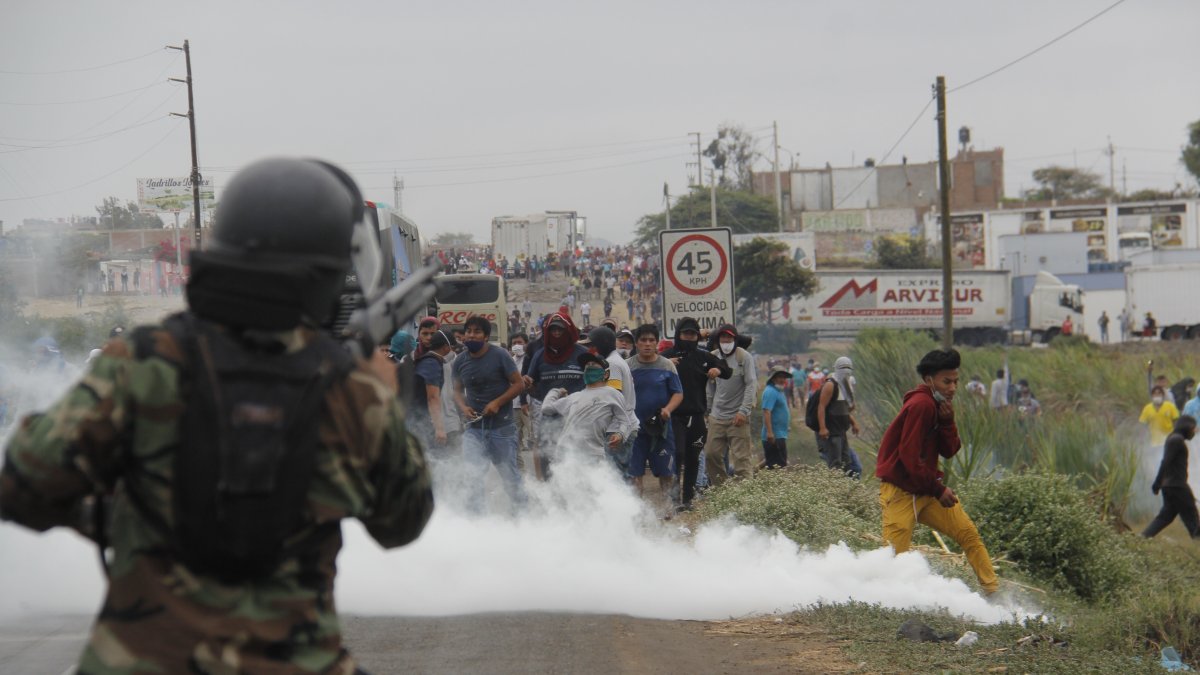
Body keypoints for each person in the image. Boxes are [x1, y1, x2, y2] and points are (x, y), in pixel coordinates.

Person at [0, 157, 434, 673]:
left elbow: (22, 484)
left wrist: (118, 516)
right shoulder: (352, 391)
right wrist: (382, 391)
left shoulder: (141, 363)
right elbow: (402, 522)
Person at [875, 348, 999, 595]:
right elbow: (909, 459)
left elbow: (950, 450)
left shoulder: (937, 406)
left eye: (956, 381)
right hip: (902, 491)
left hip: (924, 489)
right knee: (892, 558)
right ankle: (883, 601)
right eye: (946, 381)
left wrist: (948, 422)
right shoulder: (921, 405)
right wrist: (938, 489)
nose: (953, 388)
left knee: (968, 534)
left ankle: (993, 591)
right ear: (929, 379)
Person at [452, 315, 527, 512]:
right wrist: (464, 407)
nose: (471, 336)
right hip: (474, 429)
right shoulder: (460, 361)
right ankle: (476, 524)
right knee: (472, 476)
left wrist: (497, 402)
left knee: (510, 477)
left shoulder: (500, 355)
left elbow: (519, 384)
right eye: (468, 332)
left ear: (486, 336)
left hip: (502, 428)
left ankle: (524, 518)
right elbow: (456, 391)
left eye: (477, 332)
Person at [660, 317, 731, 510]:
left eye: (693, 334)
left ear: (697, 336)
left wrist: (717, 369)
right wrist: (666, 363)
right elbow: (649, 367)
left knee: (693, 457)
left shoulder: (704, 357)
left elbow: (726, 369)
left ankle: (688, 500)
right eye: (685, 333)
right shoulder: (667, 356)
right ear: (678, 335)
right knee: (678, 455)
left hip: (697, 417)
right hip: (675, 416)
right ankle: (673, 499)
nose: (689, 337)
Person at [541, 353, 638, 469]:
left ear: (606, 373)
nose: (589, 366)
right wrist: (556, 391)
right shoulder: (575, 397)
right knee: (567, 486)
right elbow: (546, 409)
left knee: (595, 486)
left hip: (593, 456)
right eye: (587, 365)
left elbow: (625, 421)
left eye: (594, 364)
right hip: (565, 453)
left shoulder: (613, 394)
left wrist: (620, 434)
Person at [525, 312, 588, 479]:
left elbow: (597, 383)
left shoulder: (583, 354)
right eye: (553, 330)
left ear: (569, 331)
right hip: (549, 420)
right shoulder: (539, 356)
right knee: (548, 463)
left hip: (576, 418)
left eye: (560, 330)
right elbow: (534, 387)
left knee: (576, 463)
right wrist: (528, 386)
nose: (557, 334)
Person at [626, 324, 683, 507]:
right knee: (634, 473)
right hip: (634, 430)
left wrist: (668, 409)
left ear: (657, 343)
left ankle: (668, 507)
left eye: (652, 340)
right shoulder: (627, 367)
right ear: (636, 343)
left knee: (666, 471)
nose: (647, 344)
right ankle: (635, 511)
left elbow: (678, 393)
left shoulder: (667, 366)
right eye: (643, 340)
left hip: (661, 429)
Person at [703, 324, 758, 486]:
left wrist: (743, 411)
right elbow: (710, 386)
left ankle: (744, 495)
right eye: (723, 338)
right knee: (711, 454)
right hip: (717, 416)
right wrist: (708, 409)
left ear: (735, 339)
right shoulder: (712, 357)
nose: (726, 341)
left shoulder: (744, 357)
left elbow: (751, 384)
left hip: (738, 417)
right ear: (718, 340)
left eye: (729, 338)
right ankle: (722, 491)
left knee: (742, 459)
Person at [1142, 415, 1199, 539]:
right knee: (1193, 519)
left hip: (1170, 486)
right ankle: (1197, 545)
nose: (1194, 432)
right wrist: (1157, 482)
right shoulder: (1176, 440)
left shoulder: (1173, 438)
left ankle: (1142, 538)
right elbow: (1165, 462)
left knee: (1165, 517)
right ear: (1187, 427)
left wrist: (1160, 483)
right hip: (1178, 486)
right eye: (1194, 428)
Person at [410, 329, 457, 451]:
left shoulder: (430, 361)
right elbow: (433, 397)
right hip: (418, 421)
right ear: (446, 347)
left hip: (419, 419)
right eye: (453, 347)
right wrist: (440, 428)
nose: (454, 351)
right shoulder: (431, 363)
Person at [815, 356, 860, 473]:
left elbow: (844, 409)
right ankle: (834, 489)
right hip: (831, 432)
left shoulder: (846, 386)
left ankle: (844, 488)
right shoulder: (830, 385)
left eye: (848, 368)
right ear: (836, 369)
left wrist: (854, 423)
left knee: (846, 462)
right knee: (835, 464)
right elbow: (821, 406)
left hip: (841, 431)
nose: (846, 370)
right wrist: (823, 428)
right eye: (843, 367)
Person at [761, 369, 792, 469]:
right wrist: (770, 433)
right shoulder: (770, 391)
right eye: (780, 377)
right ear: (773, 379)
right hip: (774, 436)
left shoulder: (779, 391)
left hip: (779, 434)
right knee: (776, 467)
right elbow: (766, 412)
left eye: (784, 377)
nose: (782, 380)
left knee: (780, 464)